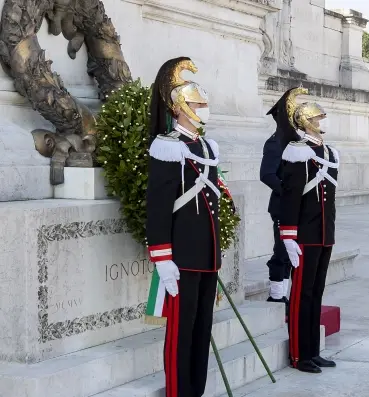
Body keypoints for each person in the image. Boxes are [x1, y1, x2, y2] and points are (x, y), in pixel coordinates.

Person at [145, 56, 222, 397]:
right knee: (180, 331)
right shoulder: (167, 147)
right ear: (178, 108)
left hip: (206, 255)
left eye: (203, 103)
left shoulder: (207, 147)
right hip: (182, 257)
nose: (202, 108)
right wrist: (163, 258)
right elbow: (159, 207)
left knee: (202, 328)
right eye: (196, 103)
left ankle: (197, 389)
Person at [267, 87, 340, 374]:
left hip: (324, 235)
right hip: (305, 237)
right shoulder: (297, 153)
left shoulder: (329, 152)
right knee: (301, 295)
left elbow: (329, 200)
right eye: (317, 119)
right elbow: (291, 196)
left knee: (317, 293)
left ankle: (313, 350)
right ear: (306, 122)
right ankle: (300, 354)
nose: (321, 123)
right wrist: (288, 236)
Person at [260, 129, 292, 310]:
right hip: (282, 206)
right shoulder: (275, 142)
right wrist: (289, 193)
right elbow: (267, 174)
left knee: (291, 254)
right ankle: (276, 295)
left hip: (298, 208)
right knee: (282, 251)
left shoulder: (295, 141)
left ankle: (284, 295)